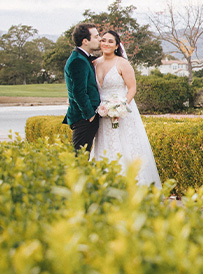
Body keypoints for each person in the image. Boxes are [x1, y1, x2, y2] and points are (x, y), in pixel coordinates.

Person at [89, 30, 162, 187]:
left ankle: (133, 184)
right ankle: (106, 184)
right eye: (103, 40)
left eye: (110, 41)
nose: (106, 44)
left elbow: (132, 89)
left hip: (122, 112)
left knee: (126, 145)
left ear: (116, 45)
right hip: (102, 113)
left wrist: (120, 107)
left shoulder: (122, 63)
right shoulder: (94, 64)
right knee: (105, 144)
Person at [63, 23, 101, 152]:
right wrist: (89, 114)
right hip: (83, 118)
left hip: (86, 117)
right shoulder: (77, 60)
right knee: (80, 158)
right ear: (85, 41)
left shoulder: (83, 58)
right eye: (96, 37)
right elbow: (78, 91)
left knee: (84, 156)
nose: (99, 39)